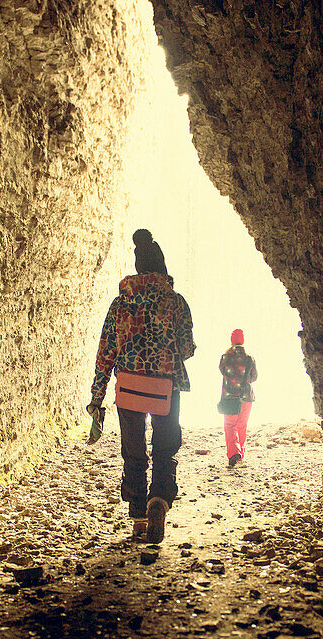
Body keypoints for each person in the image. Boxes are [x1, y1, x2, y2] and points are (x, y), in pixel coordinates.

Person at [88, 229, 195, 543]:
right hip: (165, 387)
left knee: (133, 454)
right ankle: (159, 499)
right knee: (165, 448)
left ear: (137, 268)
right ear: (162, 267)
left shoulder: (120, 304)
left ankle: (138, 519)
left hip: (130, 389)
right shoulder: (175, 302)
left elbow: (106, 351)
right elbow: (186, 347)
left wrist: (97, 397)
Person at [219, 329, 257, 467]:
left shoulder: (225, 358)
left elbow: (223, 371)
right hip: (246, 396)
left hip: (229, 397)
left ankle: (234, 452)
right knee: (241, 426)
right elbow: (254, 377)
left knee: (230, 425)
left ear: (231, 340)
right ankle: (239, 452)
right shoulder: (249, 359)